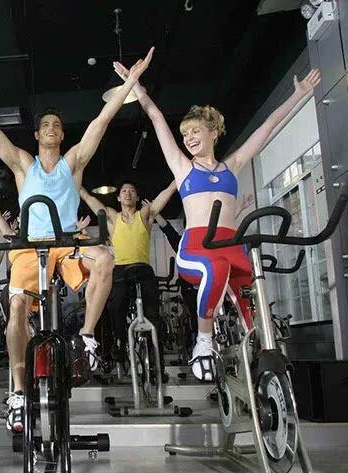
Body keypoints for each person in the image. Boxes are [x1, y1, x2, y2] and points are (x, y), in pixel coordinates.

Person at [0, 47, 153, 431]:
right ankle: (19, 393)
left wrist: (130, 82)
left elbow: (102, 119)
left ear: (62, 134)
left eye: (57, 125)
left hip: (67, 244)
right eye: (45, 125)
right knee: (17, 307)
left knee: (105, 256)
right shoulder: (23, 164)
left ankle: (86, 337)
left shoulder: (74, 162)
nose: (51, 128)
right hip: (28, 246)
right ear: (37, 135)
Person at [114, 60, 320, 381]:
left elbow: (267, 128)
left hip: (231, 244)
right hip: (197, 247)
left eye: (195, 131)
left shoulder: (232, 165)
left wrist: (298, 95)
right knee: (216, 268)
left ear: (213, 132)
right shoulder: (183, 168)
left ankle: (262, 353)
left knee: (252, 290)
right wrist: (136, 87)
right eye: (185, 133)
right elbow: (155, 116)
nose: (188, 138)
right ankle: (203, 341)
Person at [79, 181, 176, 371]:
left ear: (137, 197)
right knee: (116, 307)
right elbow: (91, 200)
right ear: (118, 197)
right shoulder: (112, 217)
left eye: (132, 190)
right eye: (124, 191)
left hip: (143, 268)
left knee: (153, 315)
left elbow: (164, 195)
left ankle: (157, 365)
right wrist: (79, 189)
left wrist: (176, 182)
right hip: (120, 269)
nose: (128, 193)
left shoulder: (145, 214)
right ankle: (120, 343)